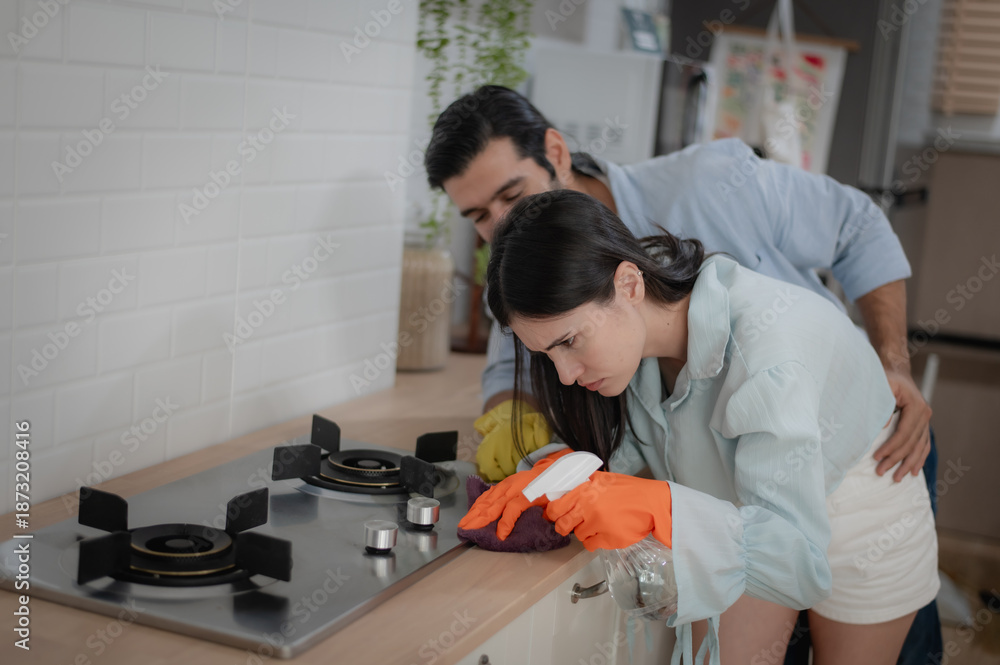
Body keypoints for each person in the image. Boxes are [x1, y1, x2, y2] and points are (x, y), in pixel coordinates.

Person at [425, 85, 942, 663]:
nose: (564, 376)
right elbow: (613, 440)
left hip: (857, 485)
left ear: (628, 283)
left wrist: (658, 506)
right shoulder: (627, 335)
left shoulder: (759, 341)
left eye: (510, 195)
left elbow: (793, 559)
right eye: (479, 216)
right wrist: (553, 471)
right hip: (743, 506)